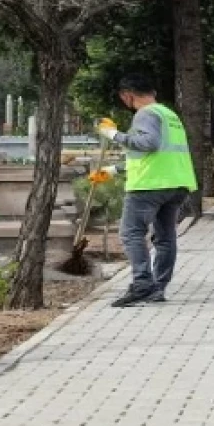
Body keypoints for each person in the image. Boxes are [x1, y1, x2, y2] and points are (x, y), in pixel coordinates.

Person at [90, 73, 198, 307]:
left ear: (127, 96)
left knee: (131, 234)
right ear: (153, 93)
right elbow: (154, 154)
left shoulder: (145, 114)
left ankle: (142, 285)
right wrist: (112, 170)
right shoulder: (168, 115)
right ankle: (157, 288)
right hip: (176, 184)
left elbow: (147, 144)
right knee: (166, 237)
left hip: (149, 186)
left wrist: (112, 134)